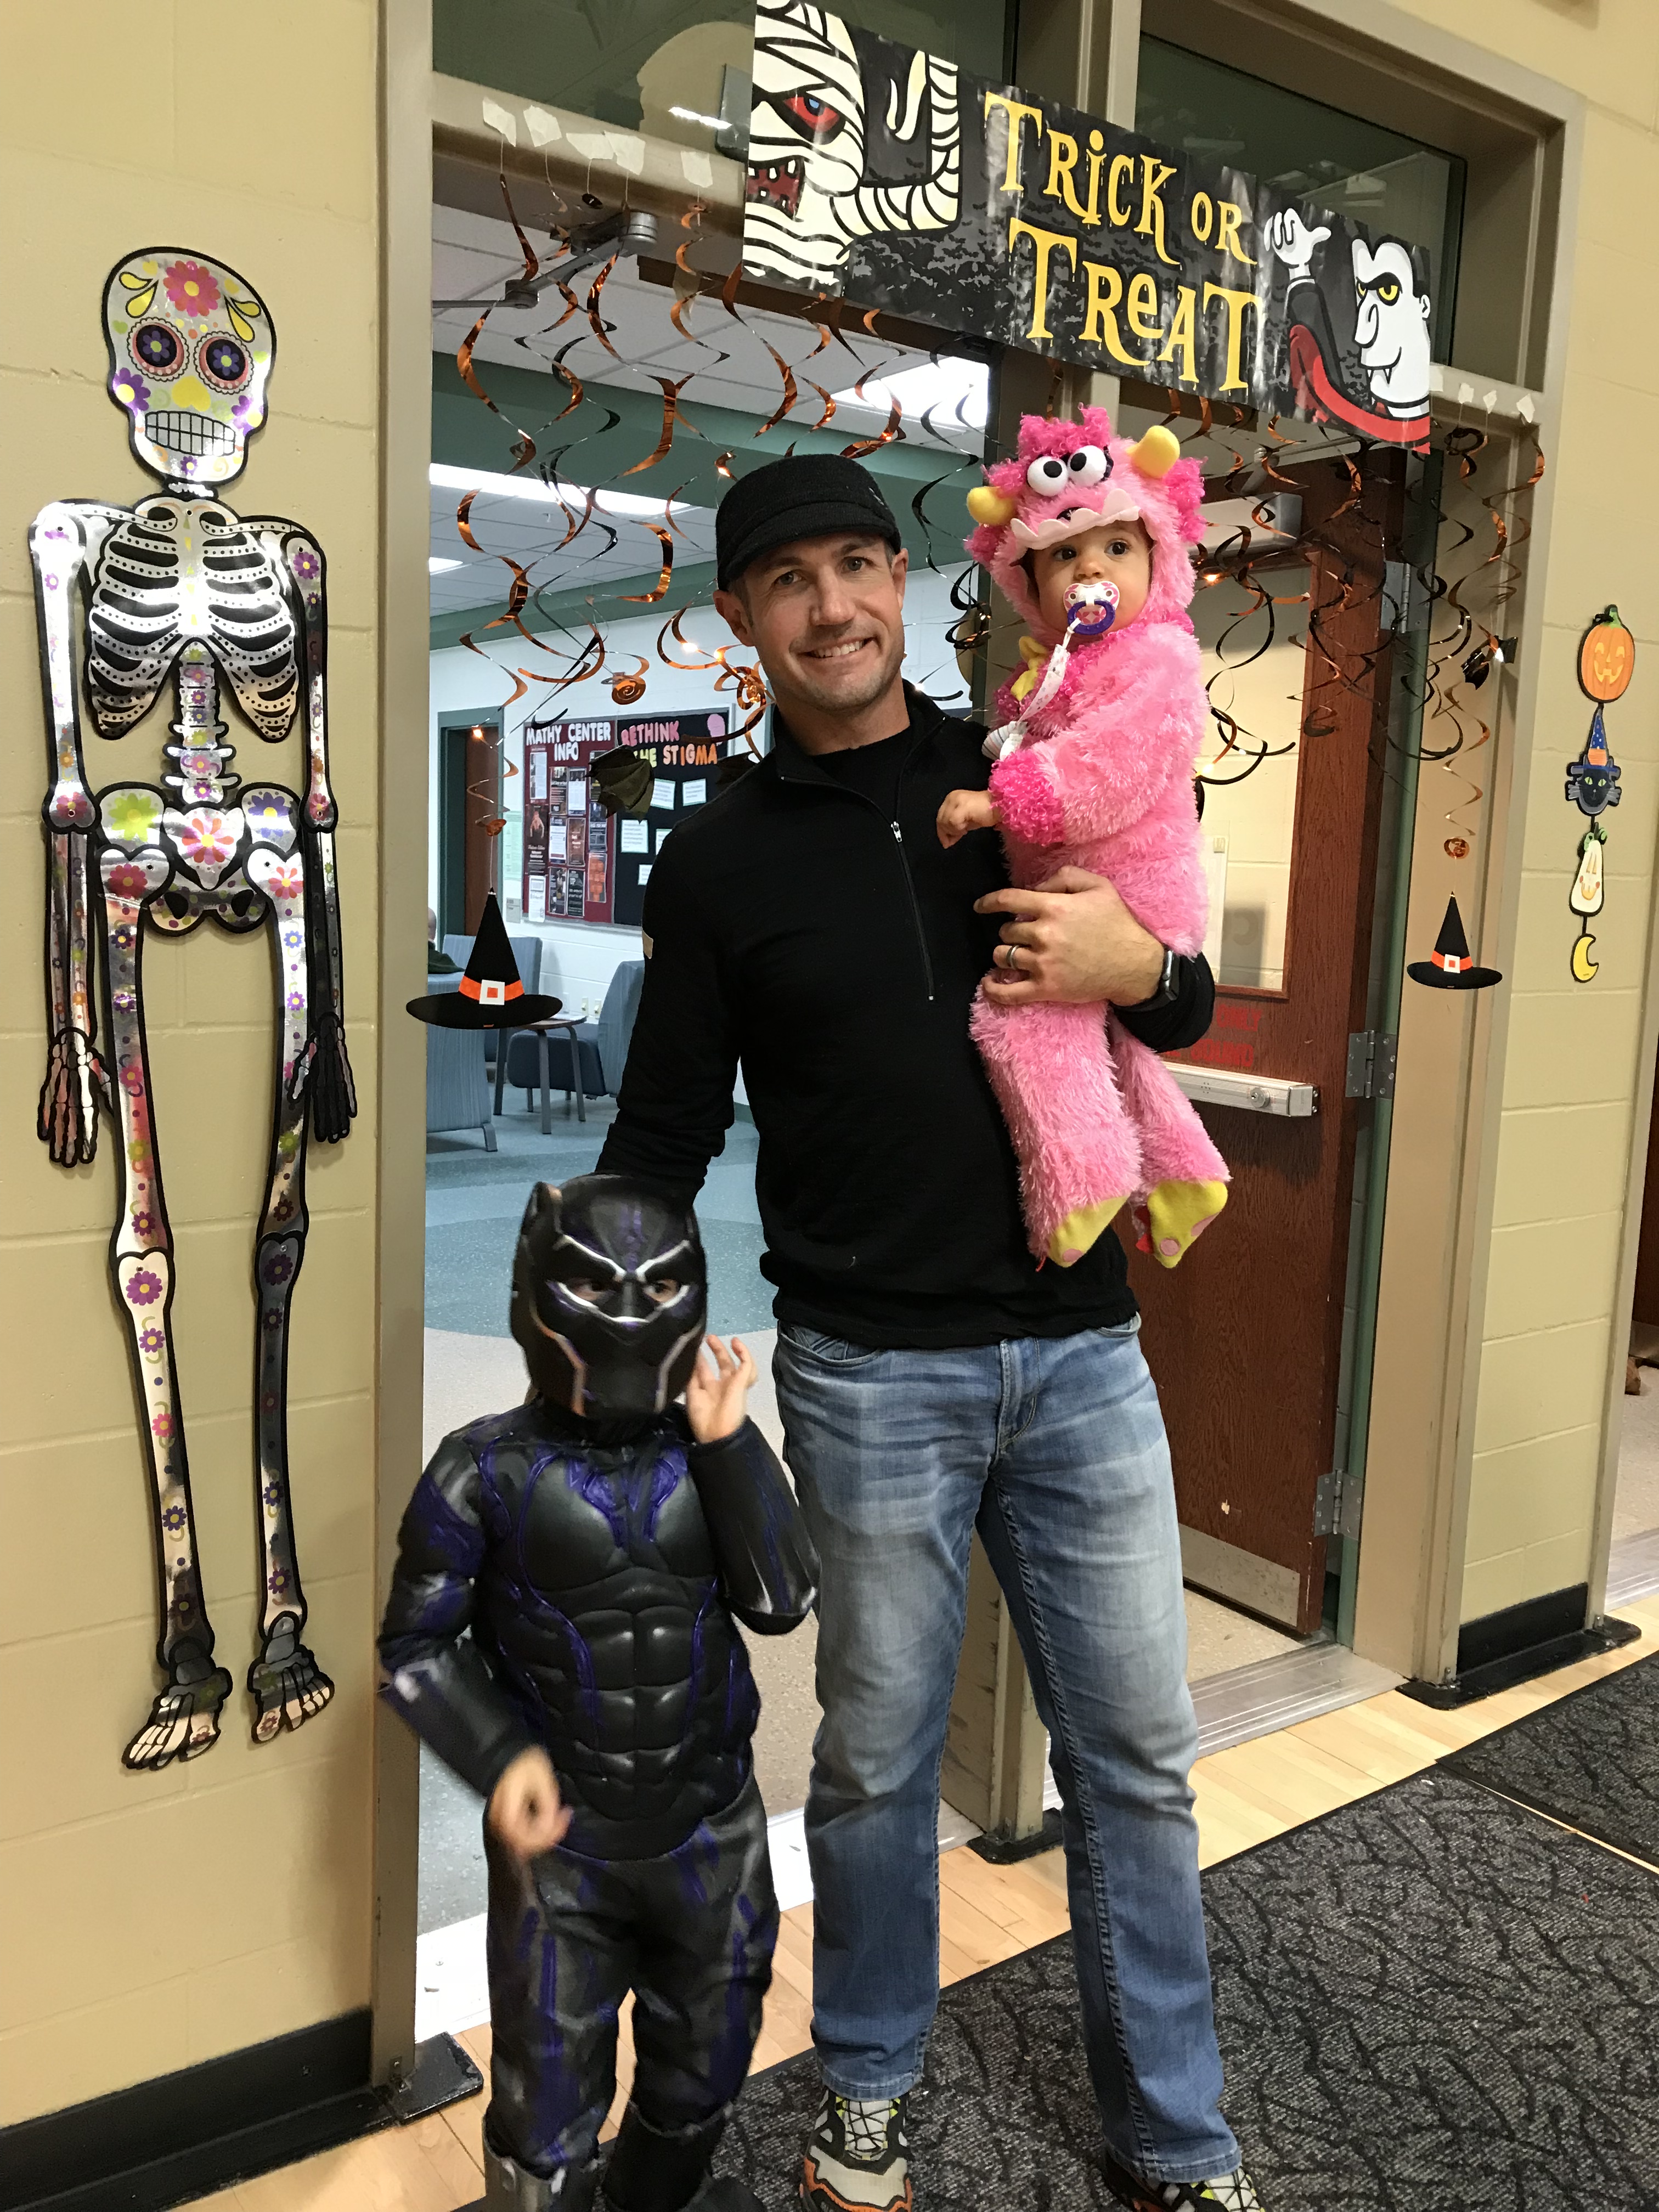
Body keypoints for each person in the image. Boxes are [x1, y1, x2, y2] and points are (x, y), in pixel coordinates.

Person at [596, 453, 1261, 2212]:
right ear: (741, 616)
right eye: (790, 580)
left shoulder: (1025, 771)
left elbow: (1178, 993)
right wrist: (605, 1354)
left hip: (1084, 1352)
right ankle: (872, 2090)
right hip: (868, 1372)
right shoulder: (717, 863)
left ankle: (1175, 2138)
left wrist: (1143, 973)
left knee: (1137, 1762)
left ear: (905, 581)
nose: (834, 607)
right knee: (876, 1764)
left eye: (858, 564)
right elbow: (661, 1134)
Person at [379, 1175, 818, 2212]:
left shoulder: (709, 1451)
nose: (627, 1315)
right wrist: (499, 1758)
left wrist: (731, 1443)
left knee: (706, 2065)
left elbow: (783, 1599)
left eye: (657, 1288)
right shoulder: (479, 1471)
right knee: (545, 2107)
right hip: (565, 1855)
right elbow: (413, 1647)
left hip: (711, 1828)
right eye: (595, 1285)